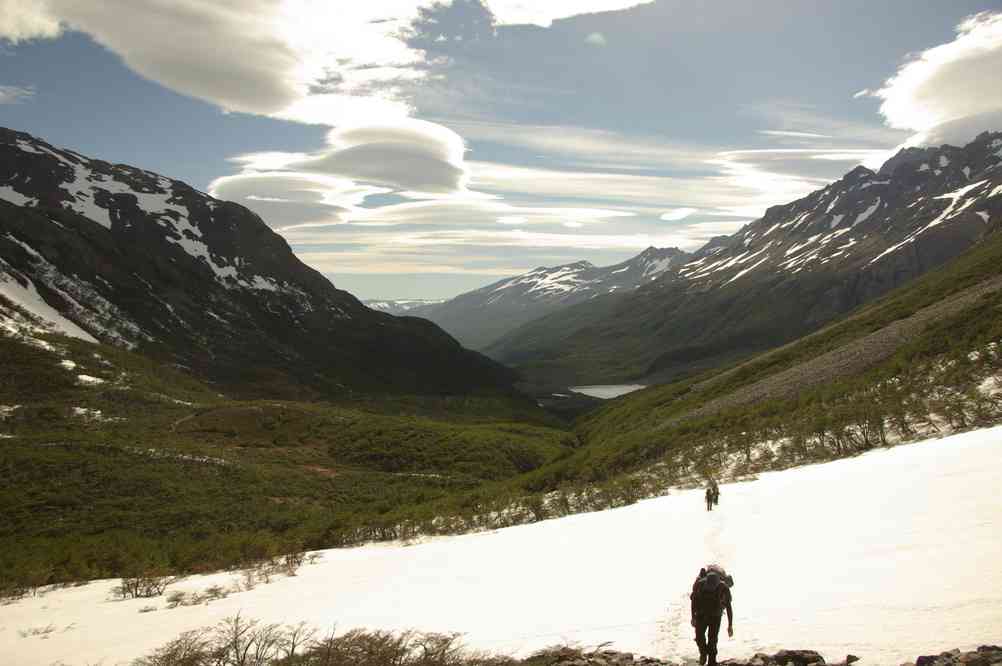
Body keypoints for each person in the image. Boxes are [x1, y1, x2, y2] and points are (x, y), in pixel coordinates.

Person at [691, 568, 734, 666]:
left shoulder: (723, 588)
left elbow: (728, 607)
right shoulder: (699, 585)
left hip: (715, 615)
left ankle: (712, 661)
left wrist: (730, 625)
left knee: (712, 639)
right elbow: (693, 601)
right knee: (699, 636)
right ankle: (703, 654)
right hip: (701, 614)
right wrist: (693, 617)